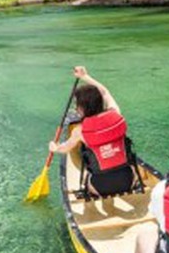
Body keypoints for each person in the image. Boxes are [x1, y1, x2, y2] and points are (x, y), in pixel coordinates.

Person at [49, 66, 139, 197]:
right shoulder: (116, 113)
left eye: (77, 105)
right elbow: (105, 92)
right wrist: (85, 77)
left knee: (86, 161)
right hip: (128, 181)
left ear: (81, 108)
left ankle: (93, 193)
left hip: (99, 187)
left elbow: (64, 149)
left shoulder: (79, 131)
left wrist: (54, 147)